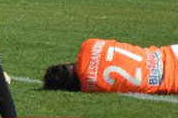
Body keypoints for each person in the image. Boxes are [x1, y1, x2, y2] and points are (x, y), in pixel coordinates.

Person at [42, 39, 178, 94]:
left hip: (172, 83)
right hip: (169, 53)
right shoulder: (88, 45)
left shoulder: (87, 88)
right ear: (65, 64)